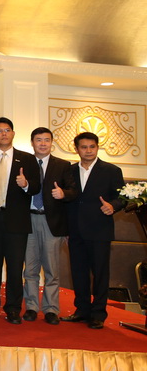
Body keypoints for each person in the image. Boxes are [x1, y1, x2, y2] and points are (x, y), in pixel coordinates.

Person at [62, 132, 125, 329]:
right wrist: (65, 229)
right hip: (75, 230)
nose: (88, 151)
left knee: (100, 274)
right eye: (84, 147)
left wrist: (113, 206)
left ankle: (98, 314)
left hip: (99, 229)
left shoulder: (111, 171)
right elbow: (66, 200)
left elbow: (122, 197)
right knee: (78, 273)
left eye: (92, 147)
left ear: (97, 147)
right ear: (77, 149)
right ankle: (82, 310)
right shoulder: (69, 171)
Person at [0, 117, 41, 324]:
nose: (3, 134)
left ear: (13, 133)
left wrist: (26, 184)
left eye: (7, 130)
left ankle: (13, 308)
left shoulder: (27, 159)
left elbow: (36, 187)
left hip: (16, 220)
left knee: (15, 268)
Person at [23, 127, 77, 325]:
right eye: (39, 140)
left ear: (51, 142)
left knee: (52, 270)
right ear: (32, 143)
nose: (43, 143)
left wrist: (64, 194)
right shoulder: (25, 163)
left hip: (52, 222)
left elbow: (73, 191)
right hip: (28, 220)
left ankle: (51, 309)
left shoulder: (63, 165)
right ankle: (31, 307)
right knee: (30, 269)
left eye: (47, 140)